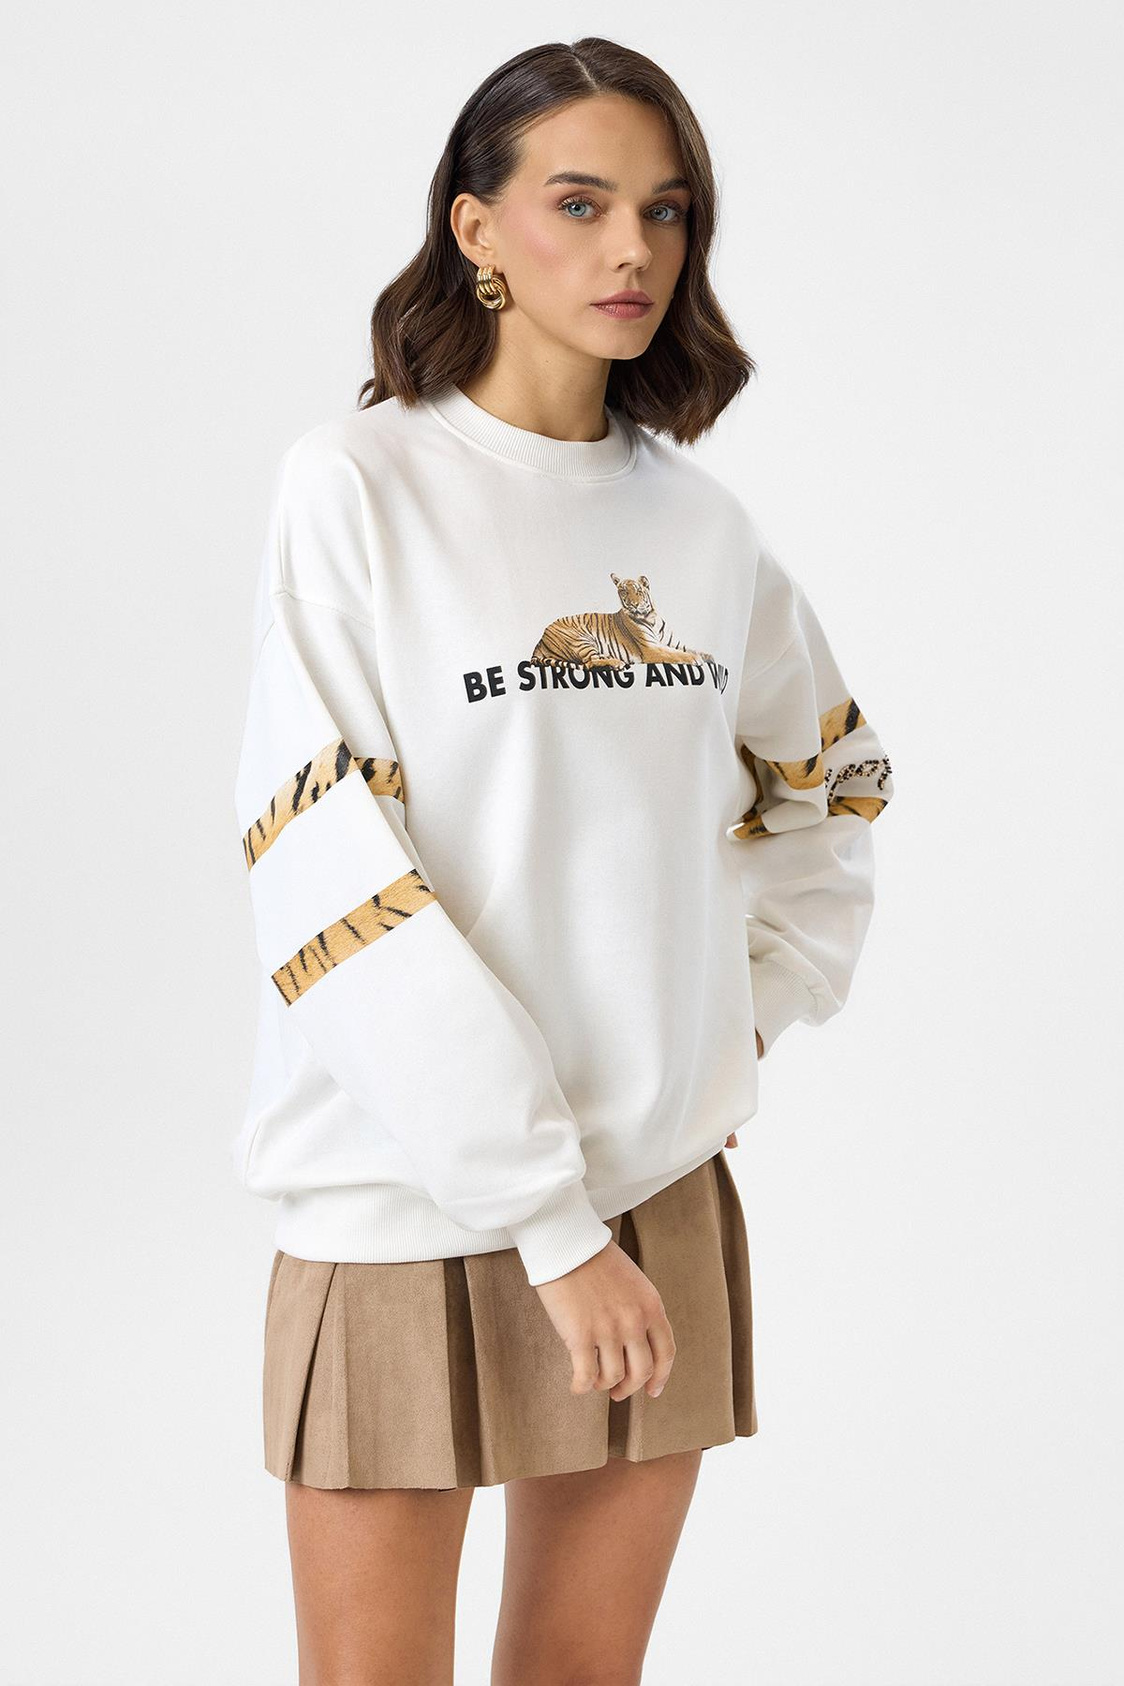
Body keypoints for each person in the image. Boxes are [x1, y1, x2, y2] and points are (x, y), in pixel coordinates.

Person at [232, 35, 895, 1686]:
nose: (632, 250)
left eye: (666, 211)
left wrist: (730, 1017)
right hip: (400, 1194)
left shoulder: (700, 531)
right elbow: (329, 875)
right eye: (580, 203)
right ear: (476, 228)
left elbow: (836, 789)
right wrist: (544, 1216)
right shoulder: (359, 489)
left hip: (652, 1192)